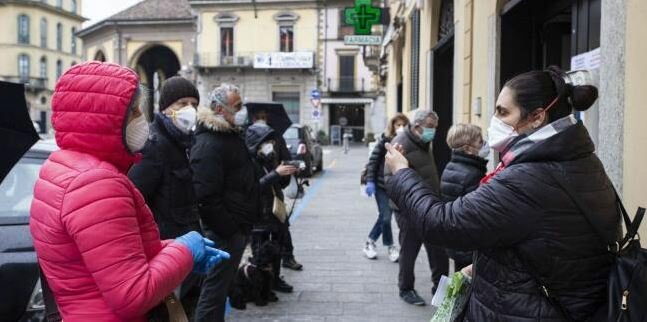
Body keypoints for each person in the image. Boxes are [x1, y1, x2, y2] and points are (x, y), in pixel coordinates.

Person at [384, 66, 618, 321]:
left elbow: (439, 222)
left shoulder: (526, 179)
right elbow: (549, 244)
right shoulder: (579, 160)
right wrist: (489, 265)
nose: (494, 121)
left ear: (537, 117)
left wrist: (401, 173)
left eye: (503, 112)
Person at [29, 62, 228, 322]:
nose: (141, 118)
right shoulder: (97, 183)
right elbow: (132, 294)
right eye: (133, 110)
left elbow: (111, 253)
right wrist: (185, 249)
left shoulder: (61, 167)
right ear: (107, 118)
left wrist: (176, 251)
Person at [128, 76, 203, 315]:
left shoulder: (183, 143)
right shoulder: (155, 145)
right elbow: (133, 202)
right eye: (182, 103)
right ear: (166, 108)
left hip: (183, 257)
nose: (189, 109)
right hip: (164, 259)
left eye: (194, 103)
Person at [191, 84, 260, 322]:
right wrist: (231, 230)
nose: (241, 111)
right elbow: (206, 197)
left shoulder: (228, 135)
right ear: (220, 109)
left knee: (219, 291)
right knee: (213, 292)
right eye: (237, 106)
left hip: (234, 228)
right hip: (224, 232)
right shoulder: (210, 142)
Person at [383, 109, 449, 306]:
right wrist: (408, 206)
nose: (434, 132)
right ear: (417, 126)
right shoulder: (400, 143)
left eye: (435, 128)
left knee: (438, 250)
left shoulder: (424, 141)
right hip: (408, 209)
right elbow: (389, 178)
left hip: (430, 204)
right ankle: (406, 289)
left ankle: (441, 289)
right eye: (431, 128)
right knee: (409, 250)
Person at [248, 110, 304, 271]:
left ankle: (282, 266)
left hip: (275, 200)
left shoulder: (275, 143)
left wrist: (287, 171)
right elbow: (252, 188)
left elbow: (282, 179)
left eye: (264, 117)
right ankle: (262, 277)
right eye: (259, 117)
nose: (269, 146)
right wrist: (275, 173)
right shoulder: (248, 157)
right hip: (259, 210)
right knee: (261, 245)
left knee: (281, 233)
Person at [440, 124, 488, 270]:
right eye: (480, 142)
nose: (485, 144)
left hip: (457, 240)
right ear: (468, 149)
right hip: (468, 244)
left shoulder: (451, 165)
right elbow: (477, 212)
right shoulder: (472, 173)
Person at [363, 113, 410, 261]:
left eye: (403, 125)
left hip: (397, 187)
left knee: (384, 217)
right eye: (398, 125)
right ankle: (391, 247)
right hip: (382, 186)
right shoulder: (385, 142)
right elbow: (373, 162)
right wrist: (370, 181)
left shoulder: (408, 143)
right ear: (393, 126)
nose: (401, 127)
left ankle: (369, 242)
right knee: (386, 218)